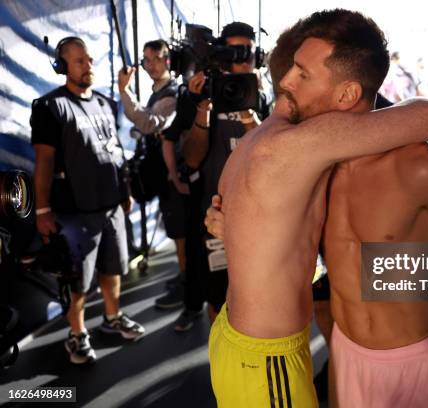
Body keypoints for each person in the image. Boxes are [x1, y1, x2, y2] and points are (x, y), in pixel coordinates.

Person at [206, 21, 428, 408]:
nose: (286, 82)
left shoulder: (420, 167)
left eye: (302, 74)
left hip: (418, 359)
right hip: (347, 356)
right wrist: (236, 223)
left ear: (347, 93)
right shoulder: (312, 171)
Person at [31, 37, 144, 365]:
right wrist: (42, 209)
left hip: (112, 207)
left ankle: (112, 318)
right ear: (62, 66)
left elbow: (116, 151)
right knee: (77, 282)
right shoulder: (50, 107)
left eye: (89, 59)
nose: (88, 65)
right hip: (76, 212)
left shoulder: (106, 104)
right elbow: (44, 162)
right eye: (79, 61)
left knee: (114, 268)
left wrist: (125, 192)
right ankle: (77, 334)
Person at [163, 22, 263, 331]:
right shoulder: (197, 95)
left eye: (247, 52)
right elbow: (191, 159)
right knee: (217, 297)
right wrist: (202, 109)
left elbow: (272, 154)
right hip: (213, 213)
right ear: (219, 55)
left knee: (258, 294)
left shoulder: (264, 94)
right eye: (233, 52)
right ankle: (222, 366)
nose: (241, 60)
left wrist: (250, 110)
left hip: (258, 213)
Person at [118, 39, 187, 310]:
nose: (151, 65)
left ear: (168, 60)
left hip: (175, 174)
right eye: (146, 59)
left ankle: (187, 286)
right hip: (164, 173)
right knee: (175, 231)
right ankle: (184, 278)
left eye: (157, 58)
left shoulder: (171, 93)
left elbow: (150, 123)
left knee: (181, 234)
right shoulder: (157, 92)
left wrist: (124, 91)